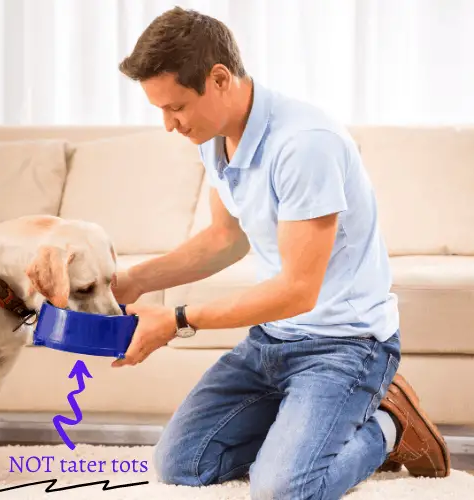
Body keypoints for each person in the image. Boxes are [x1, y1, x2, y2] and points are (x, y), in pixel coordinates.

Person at [111, 6, 450, 499]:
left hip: (346, 344)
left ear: (219, 79)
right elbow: (225, 238)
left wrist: (178, 319)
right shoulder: (215, 136)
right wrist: (137, 279)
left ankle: (389, 425)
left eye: (176, 107)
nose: (169, 125)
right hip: (273, 341)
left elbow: (298, 291)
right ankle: (301, 429)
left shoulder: (304, 145)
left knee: (284, 492)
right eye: (160, 109)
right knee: (180, 465)